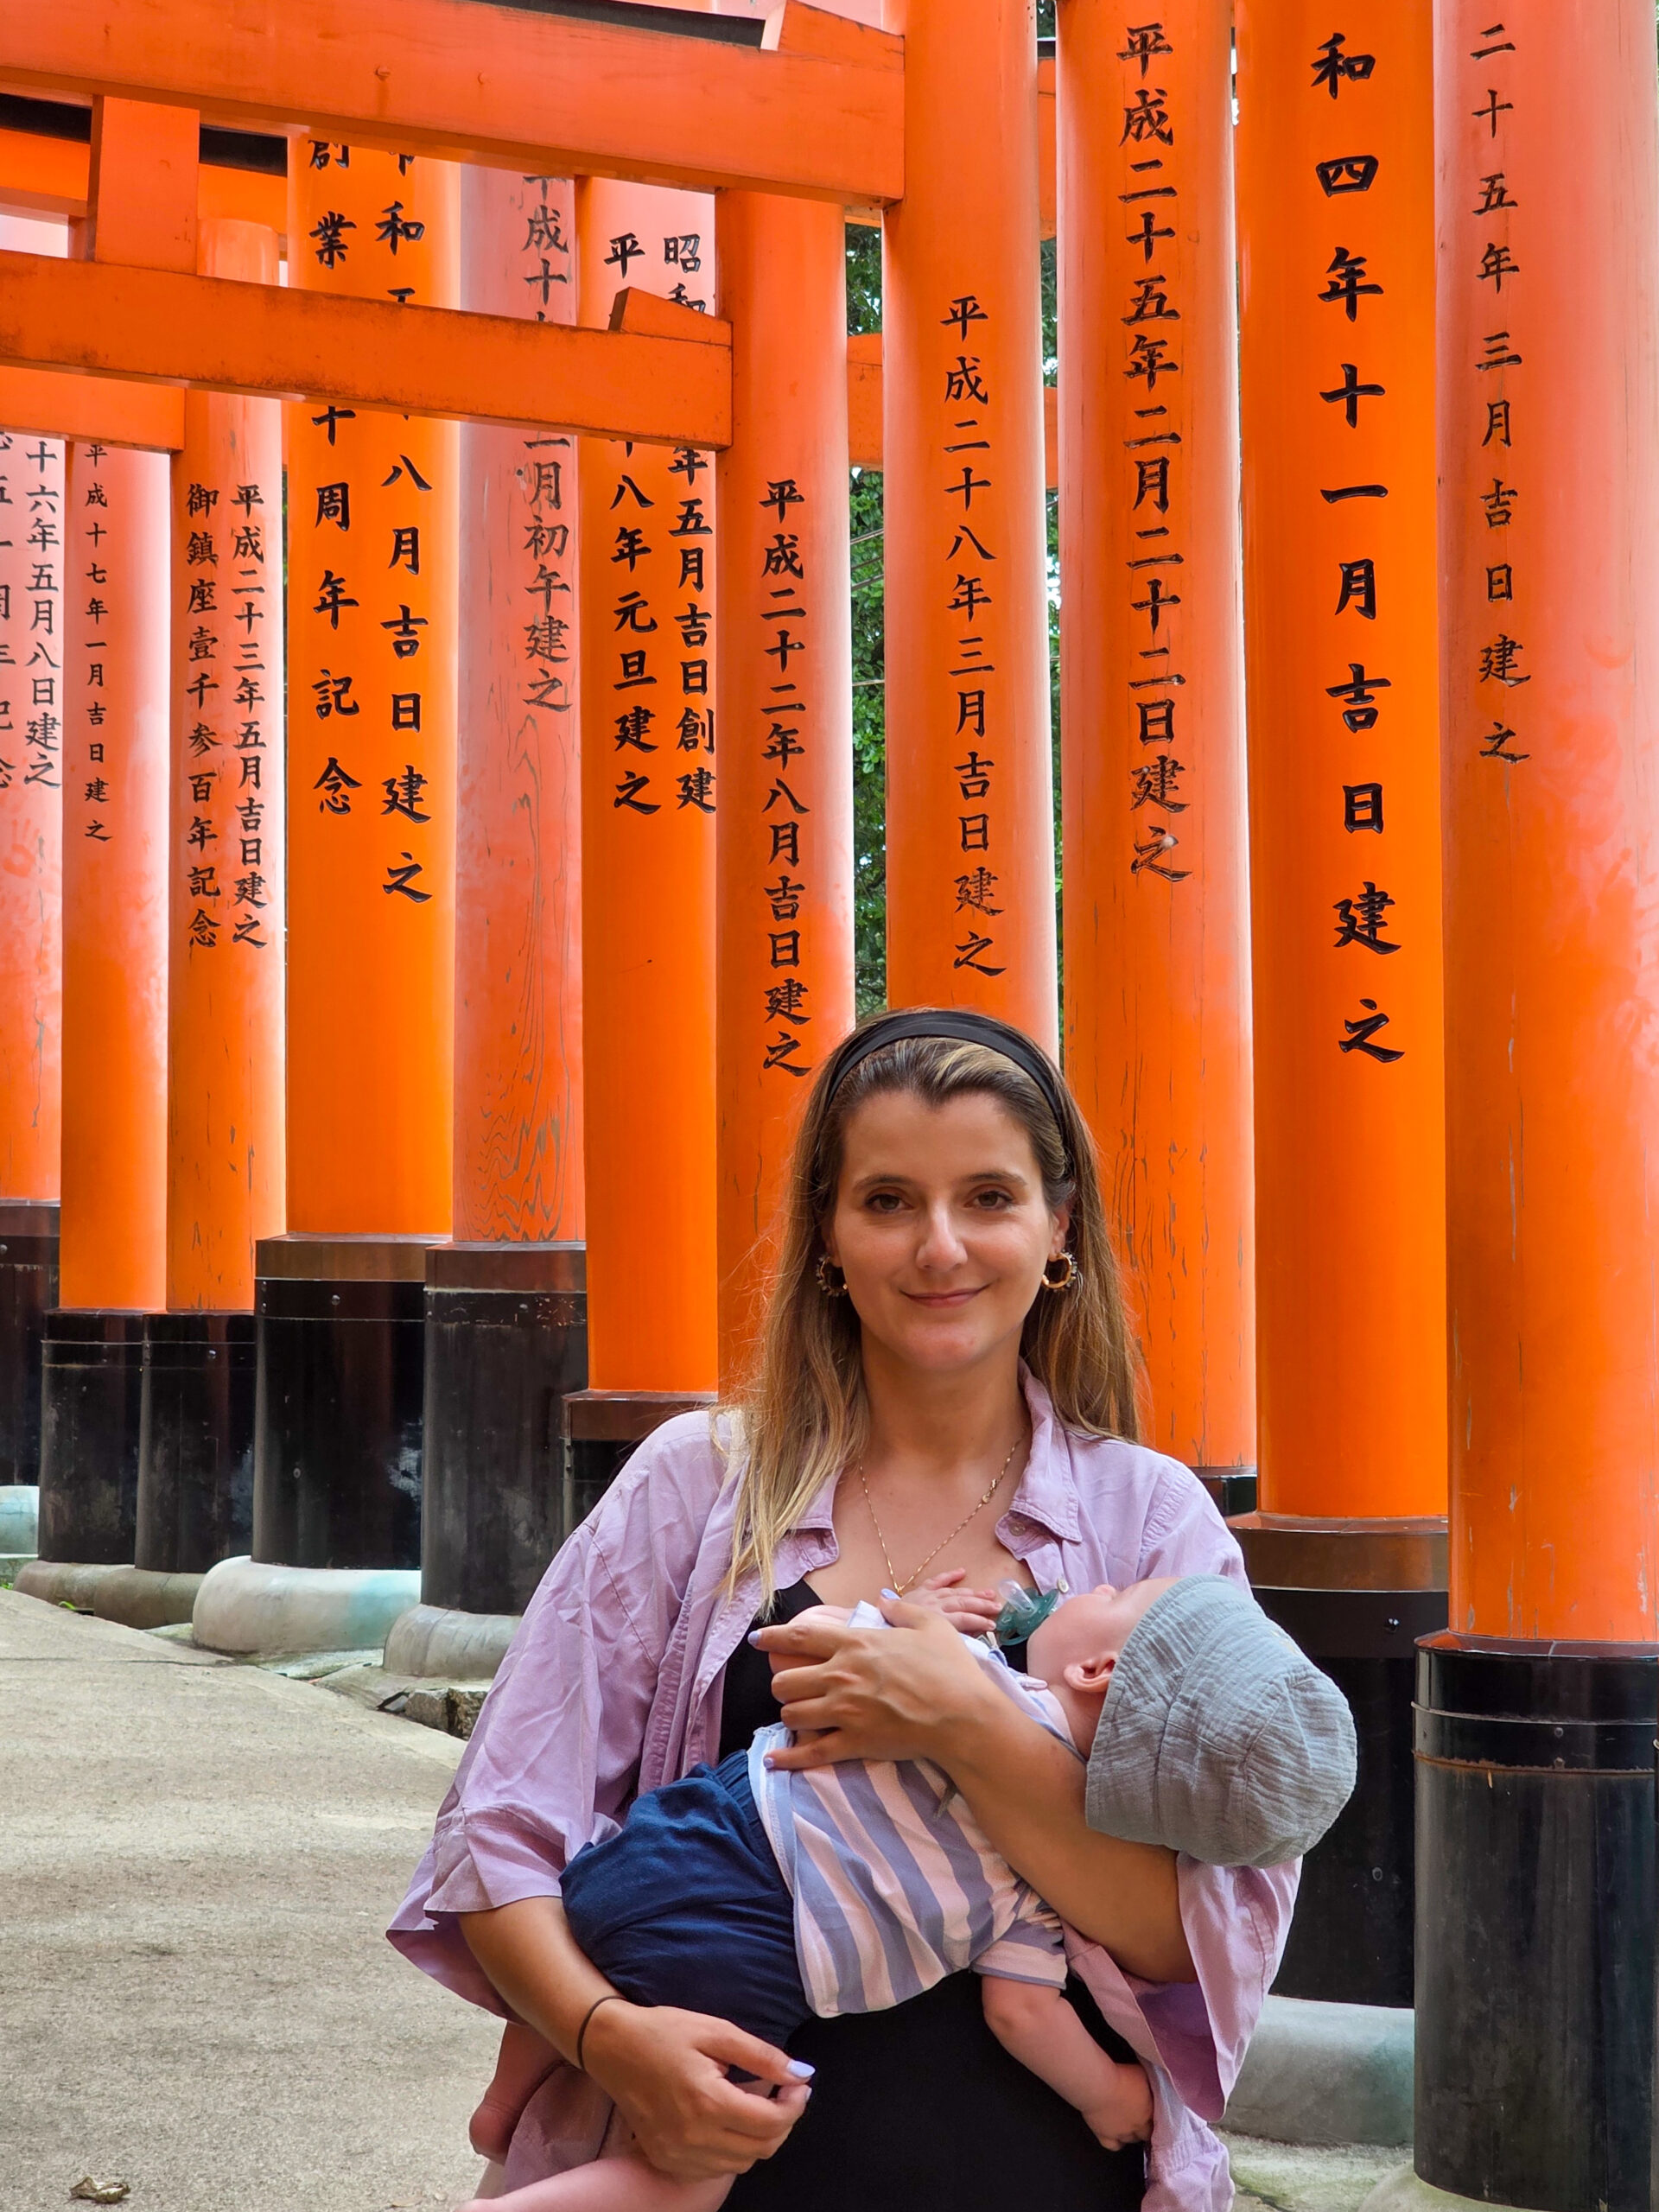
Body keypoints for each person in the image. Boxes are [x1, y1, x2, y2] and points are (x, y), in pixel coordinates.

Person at [388, 1007, 1308, 2210]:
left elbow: (1198, 1935)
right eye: (887, 1202)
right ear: (826, 1234)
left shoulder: (1152, 1527)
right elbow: (500, 1833)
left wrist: (959, 1726)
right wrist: (607, 2035)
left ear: (1058, 1228)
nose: (940, 1247)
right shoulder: (695, 1485)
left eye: (988, 1196)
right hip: (726, 2171)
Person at [454, 1572, 1354, 2212]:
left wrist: (906, 1612)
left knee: (584, 1912)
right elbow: (1022, 2012)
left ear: (1098, 1669)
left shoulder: (967, 1669)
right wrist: (1108, 2095)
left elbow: (816, 1678)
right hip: (749, 1952)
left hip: (684, 1836)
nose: (1085, 1589)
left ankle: (503, 2104)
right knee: (693, 2172)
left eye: (1110, 1597)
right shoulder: (1045, 1878)